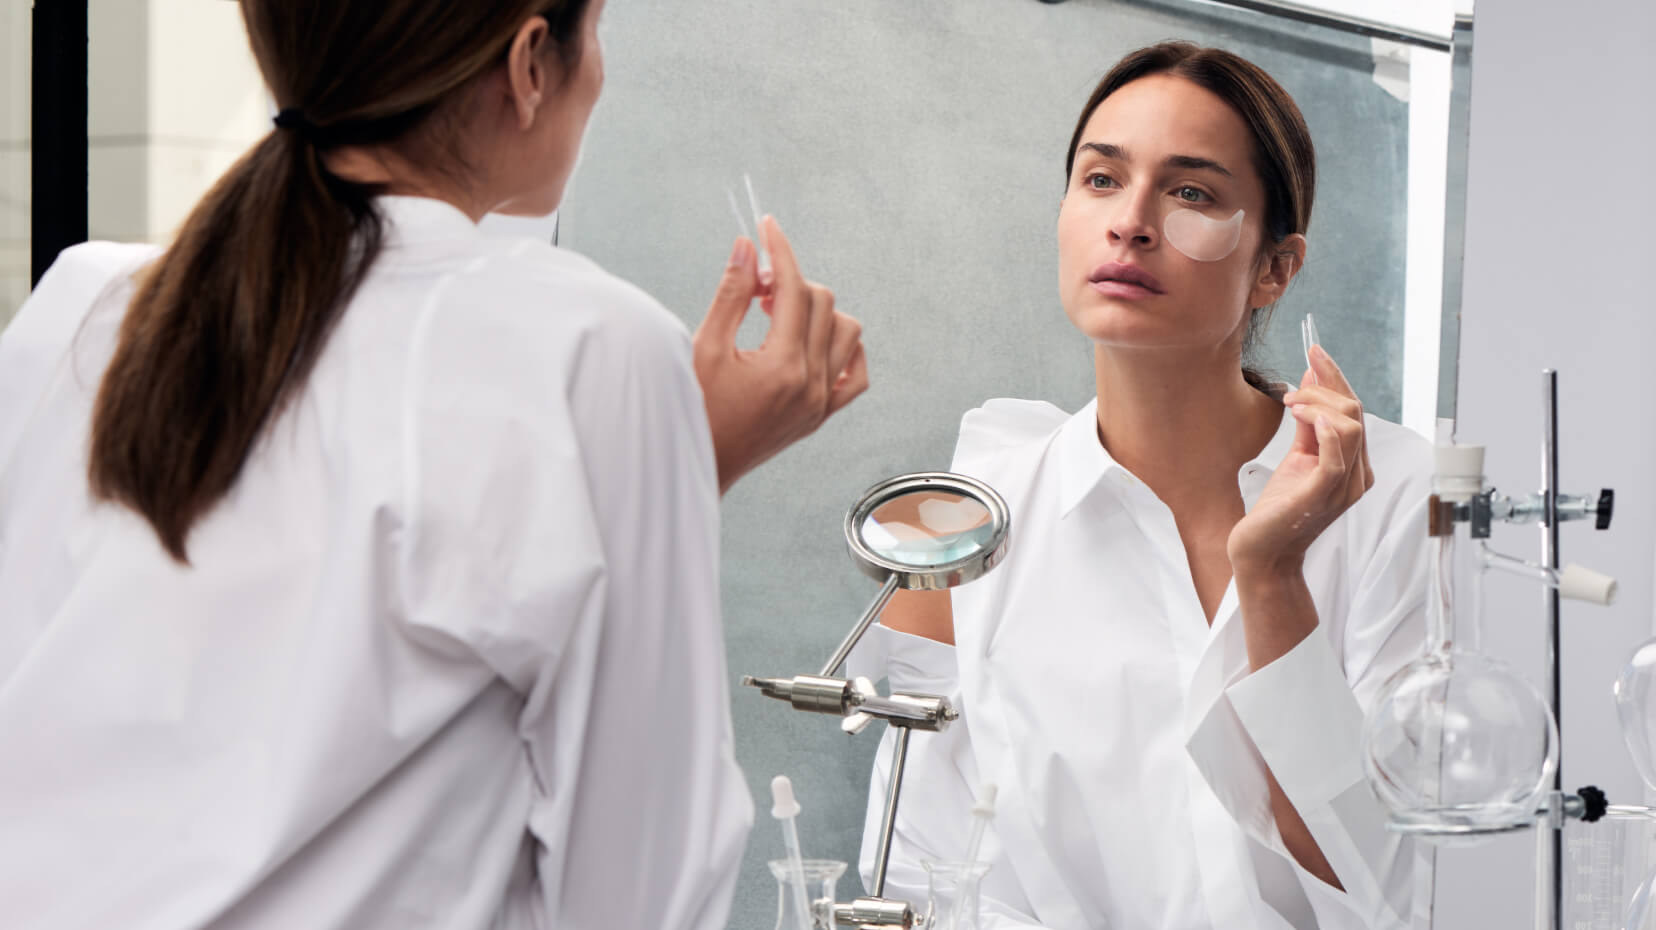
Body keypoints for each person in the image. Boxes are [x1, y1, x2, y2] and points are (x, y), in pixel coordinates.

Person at [0, 1, 865, 927]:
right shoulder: (591, 348)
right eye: (599, 30)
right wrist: (687, 466)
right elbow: (637, 893)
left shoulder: (90, 304)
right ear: (531, 61)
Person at [848, 42, 1431, 930]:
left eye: (1191, 192)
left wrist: (1271, 580)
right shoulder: (970, 525)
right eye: (1101, 179)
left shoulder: (1397, 496)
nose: (1131, 222)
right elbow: (923, 883)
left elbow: (1388, 880)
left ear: (1275, 268)